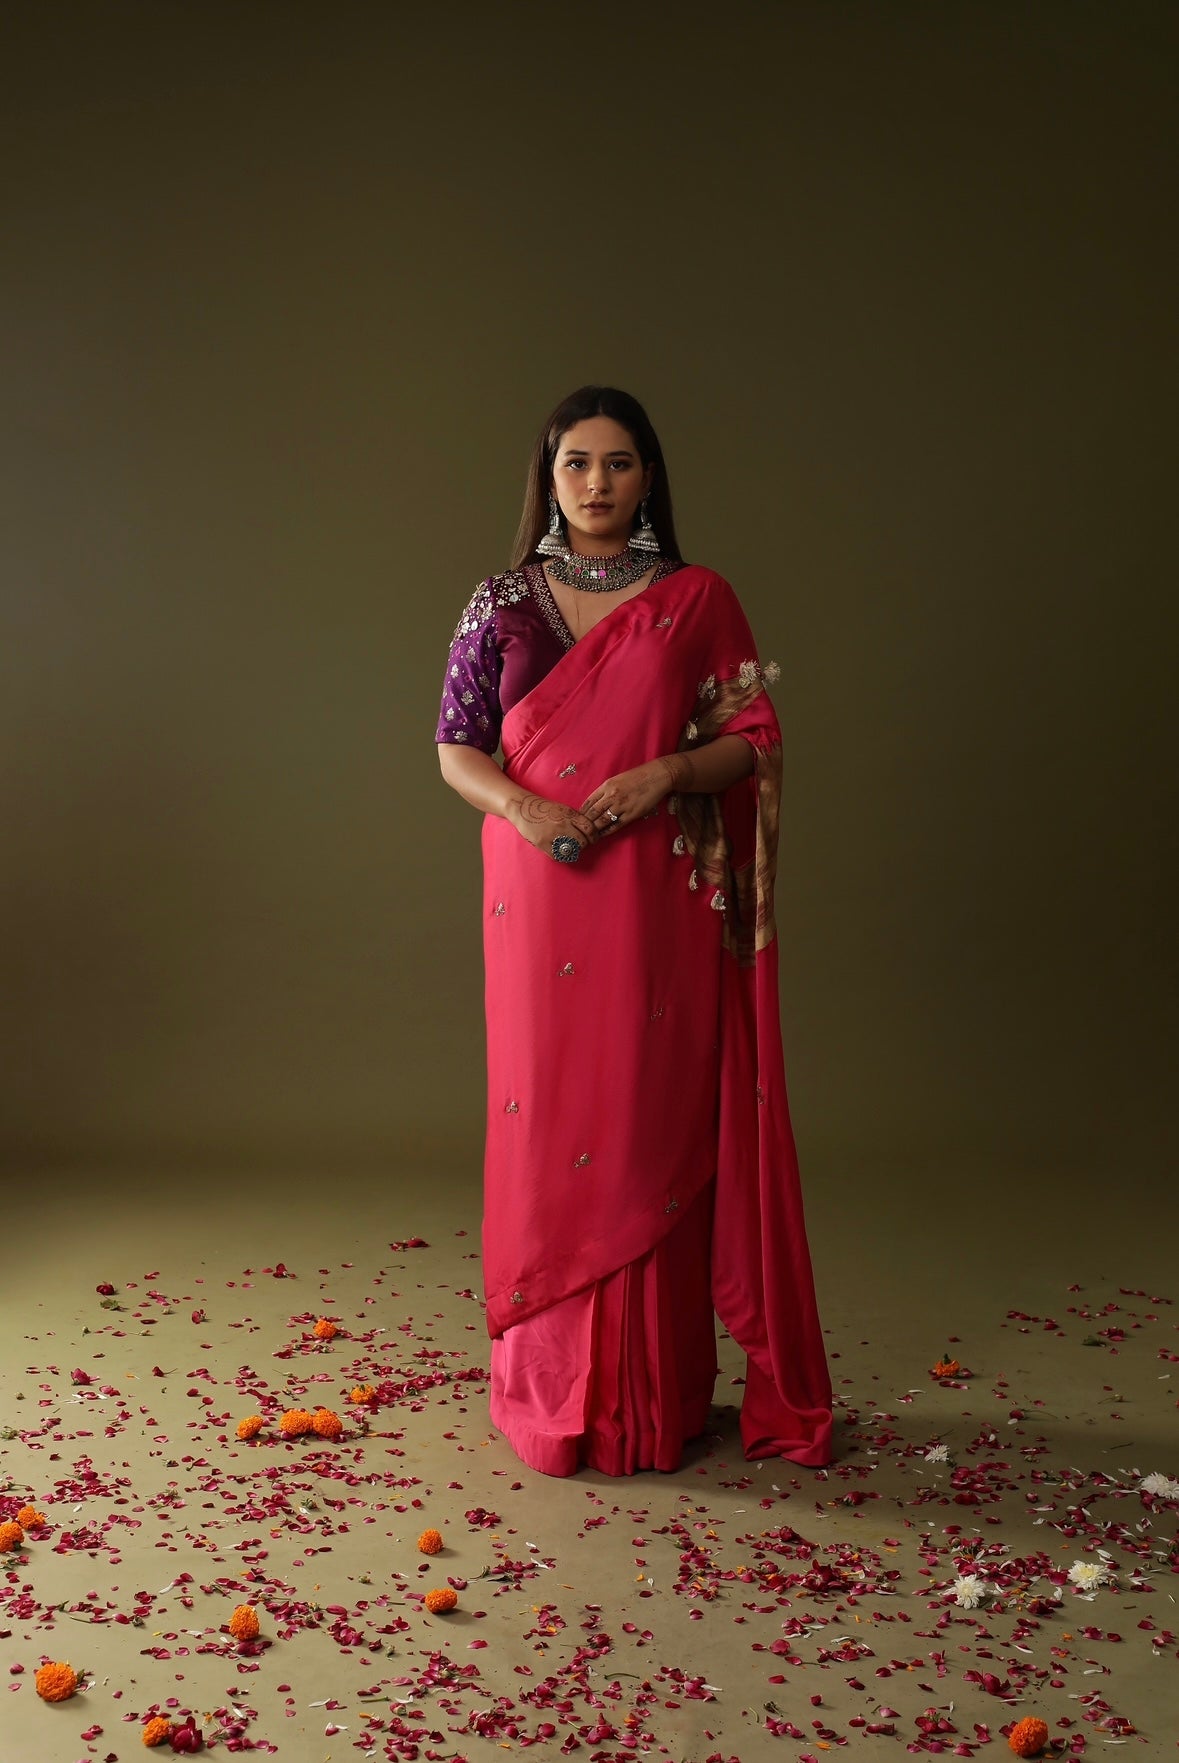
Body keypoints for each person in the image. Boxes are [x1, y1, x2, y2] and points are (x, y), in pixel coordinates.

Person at [436, 385, 832, 1478]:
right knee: (545, 1110)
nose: (596, 482)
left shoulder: (695, 599)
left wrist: (668, 772)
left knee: (645, 1110)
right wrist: (526, 810)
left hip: (652, 896)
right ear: (548, 477)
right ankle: (552, 1394)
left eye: (617, 462)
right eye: (576, 463)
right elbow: (456, 745)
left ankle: (646, 1401)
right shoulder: (501, 602)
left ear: (649, 477)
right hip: (536, 886)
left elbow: (754, 740)